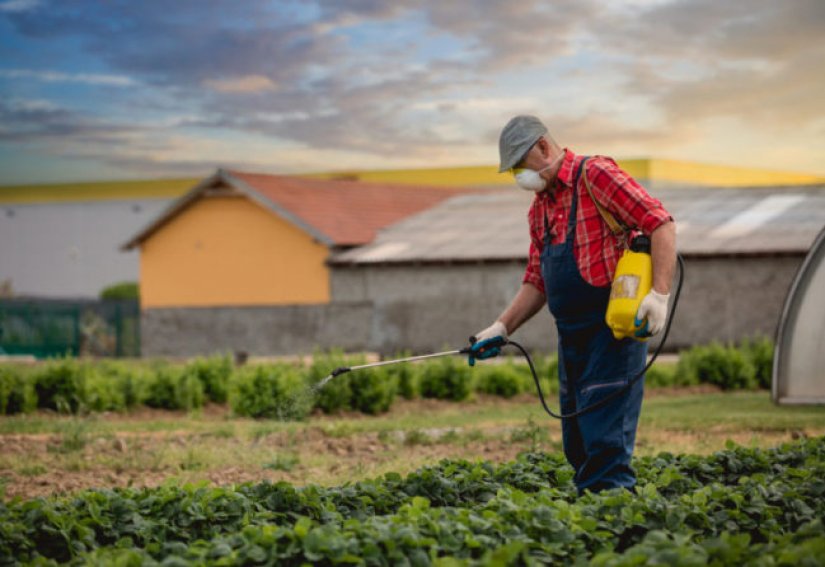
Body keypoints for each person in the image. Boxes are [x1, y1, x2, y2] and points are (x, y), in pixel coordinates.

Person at [469, 115, 676, 494]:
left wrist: (658, 295)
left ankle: (619, 532)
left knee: (605, 444)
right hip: (572, 339)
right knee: (578, 444)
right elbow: (537, 279)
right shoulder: (540, 208)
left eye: (519, 164)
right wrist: (501, 327)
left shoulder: (596, 176)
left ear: (544, 147)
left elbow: (660, 223)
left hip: (611, 333)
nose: (518, 176)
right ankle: (592, 525)